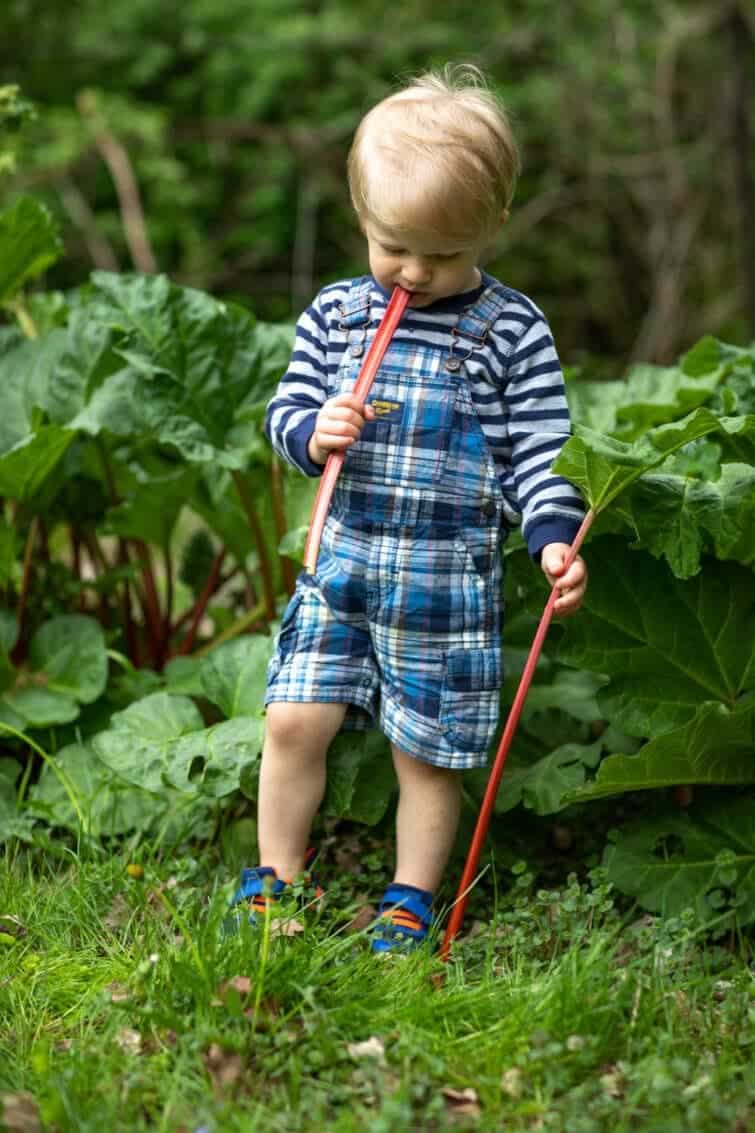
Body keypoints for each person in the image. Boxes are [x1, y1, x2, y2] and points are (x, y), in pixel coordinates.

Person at [231, 64, 588, 952]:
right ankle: (276, 877)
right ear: (363, 218)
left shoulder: (509, 331)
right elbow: (280, 415)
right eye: (395, 246)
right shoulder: (337, 315)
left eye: (445, 253)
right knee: (292, 718)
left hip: (441, 582)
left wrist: (550, 535)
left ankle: (408, 898)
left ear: (492, 225)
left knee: (427, 752)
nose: (415, 272)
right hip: (341, 561)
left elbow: (540, 452)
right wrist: (314, 430)